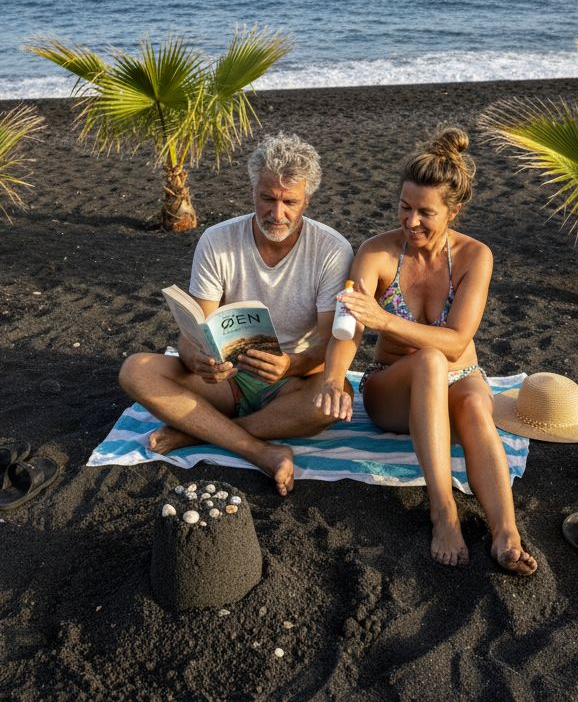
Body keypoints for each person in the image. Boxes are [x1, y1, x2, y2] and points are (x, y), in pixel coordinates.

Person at [314, 126, 538, 575]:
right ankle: (444, 510)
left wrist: (384, 319)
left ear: (453, 211)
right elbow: (348, 326)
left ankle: (505, 532)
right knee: (431, 361)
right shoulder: (377, 254)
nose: (410, 221)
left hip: (461, 377)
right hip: (393, 385)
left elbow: (458, 340)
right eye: (403, 208)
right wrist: (333, 378)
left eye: (425, 213)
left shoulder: (476, 256)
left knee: (477, 405)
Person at [119, 133, 354, 496]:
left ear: (307, 199)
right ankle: (260, 450)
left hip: (292, 384)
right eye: (268, 198)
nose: (278, 213)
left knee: (332, 406)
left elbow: (331, 341)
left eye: (290, 201)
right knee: (136, 370)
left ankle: (198, 430)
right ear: (253, 192)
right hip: (227, 379)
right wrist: (198, 358)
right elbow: (193, 332)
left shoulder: (331, 249)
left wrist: (290, 364)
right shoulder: (217, 240)